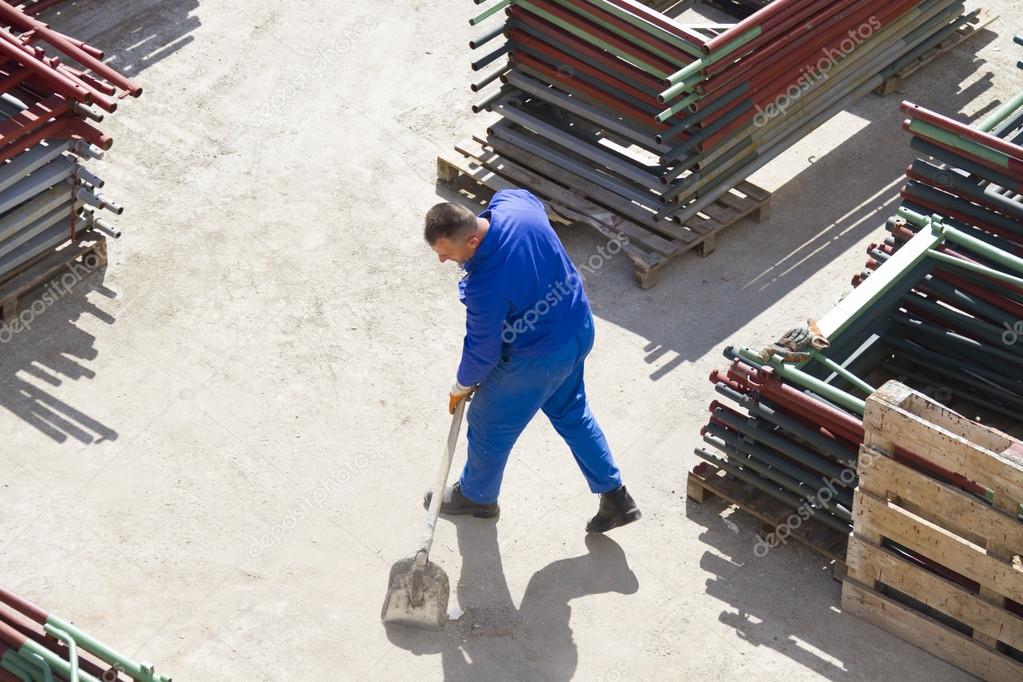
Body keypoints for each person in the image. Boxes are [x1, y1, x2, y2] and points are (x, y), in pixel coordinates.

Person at [422, 189, 640, 533]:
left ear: (473, 241)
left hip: (538, 359)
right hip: (577, 328)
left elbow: (483, 349)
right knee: (571, 413)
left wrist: (461, 385)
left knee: (487, 421)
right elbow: (532, 207)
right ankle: (615, 497)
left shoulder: (485, 286)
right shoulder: (513, 203)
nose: (443, 262)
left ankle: (478, 498)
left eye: (447, 254)